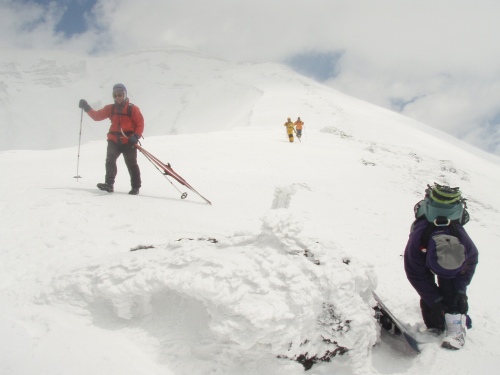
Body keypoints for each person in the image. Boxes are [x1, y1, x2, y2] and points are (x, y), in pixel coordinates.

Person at [404, 183, 478, 350]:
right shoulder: (417, 242)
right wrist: (435, 302)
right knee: (430, 294)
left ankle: (456, 329)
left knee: (452, 289)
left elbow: (469, 264)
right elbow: (416, 275)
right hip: (425, 250)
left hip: (450, 256)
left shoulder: (463, 244)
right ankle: (435, 325)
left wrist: (460, 292)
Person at [79, 83, 144, 195]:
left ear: (124, 95)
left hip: (129, 141)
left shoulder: (132, 109)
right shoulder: (110, 108)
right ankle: (109, 184)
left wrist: (136, 136)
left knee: (131, 163)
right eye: (115, 95)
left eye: (120, 94)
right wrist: (86, 107)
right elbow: (97, 116)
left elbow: (140, 124)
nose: (118, 97)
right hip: (114, 140)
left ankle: (135, 187)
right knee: (110, 160)